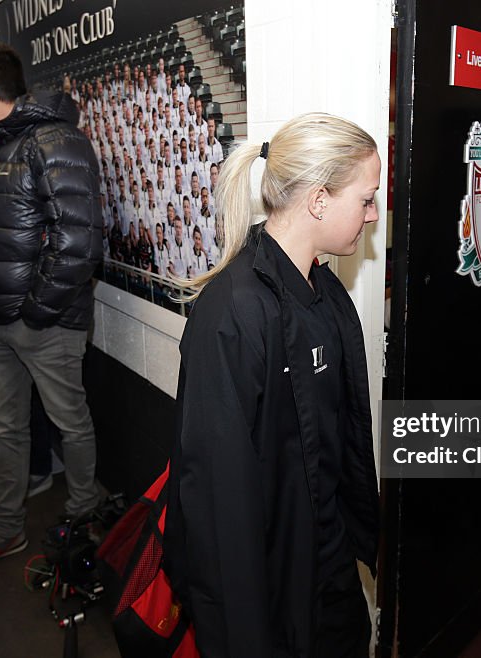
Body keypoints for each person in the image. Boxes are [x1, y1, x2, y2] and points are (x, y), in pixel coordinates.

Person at [164, 112, 381, 657]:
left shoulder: (326, 293)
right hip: (272, 587)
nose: (373, 214)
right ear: (319, 199)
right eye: (366, 198)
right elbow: (216, 506)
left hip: (327, 564)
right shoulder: (233, 313)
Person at [0, 41, 103, 579]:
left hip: (43, 323)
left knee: (69, 424)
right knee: (6, 428)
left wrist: (36, 311)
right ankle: (6, 529)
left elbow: (78, 243)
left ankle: (83, 523)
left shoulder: (57, 141)